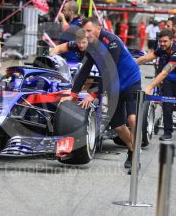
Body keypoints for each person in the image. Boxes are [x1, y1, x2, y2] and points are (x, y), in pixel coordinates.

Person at [60, 17, 141, 173]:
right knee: (118, 127)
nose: (87, 34)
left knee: (132, 118)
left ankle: (136, 155)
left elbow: (109, 71)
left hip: (130, 81)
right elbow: (85, 69)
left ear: (99, 28)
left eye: (89, 31)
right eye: (85, 32)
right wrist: (73, 94)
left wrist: (95, 93)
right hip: (114, 87)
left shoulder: (112, 41)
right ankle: (132, 149)